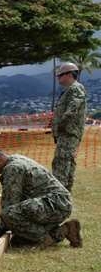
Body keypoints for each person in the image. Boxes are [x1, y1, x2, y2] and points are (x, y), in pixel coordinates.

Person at [0, 145, 82, 248]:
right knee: (17, 241)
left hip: (54, 204)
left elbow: (10, 205)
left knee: (8, 215)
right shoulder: (16, 159)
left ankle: (55, 235)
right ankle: (59, 230)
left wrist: (1, 229)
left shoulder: (13, 168)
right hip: (56, 203)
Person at [51, 61, 87, 192]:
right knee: (67, 160)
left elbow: (74, 104)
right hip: (66, 131)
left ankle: (59, 190)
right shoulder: (69, 90)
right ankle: (66, 187)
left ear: (69, 75)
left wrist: (64, 121)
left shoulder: (76, 88)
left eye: (60, 75)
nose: (58, 78)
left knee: (61, 160)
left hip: (69, 130)